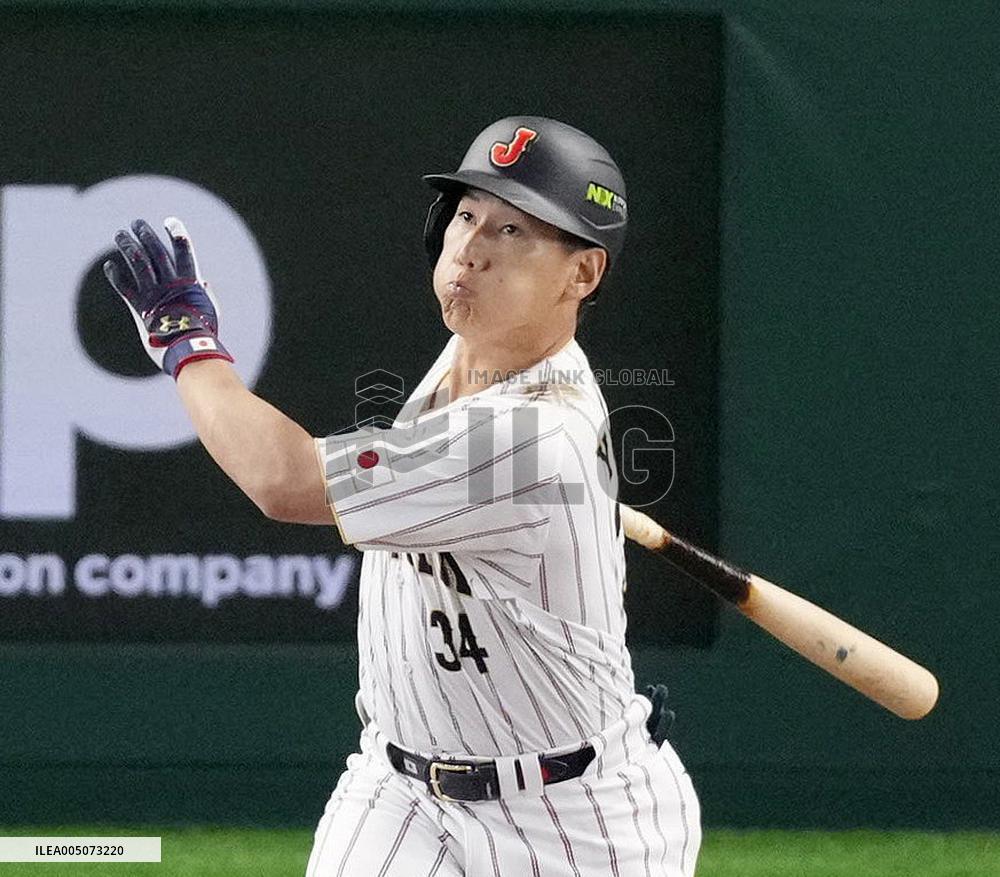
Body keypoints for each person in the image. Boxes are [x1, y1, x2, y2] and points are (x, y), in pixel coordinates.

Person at [104, 116, 701, 876]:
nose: (472, 249)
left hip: (570, 820)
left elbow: (283, 479)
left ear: (581, 275)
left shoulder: (533, 438)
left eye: (514, 230)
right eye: (465, 216)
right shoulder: (474, 352)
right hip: (400, 792)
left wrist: (188, 342)